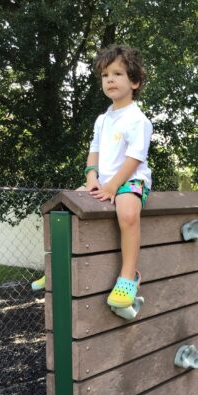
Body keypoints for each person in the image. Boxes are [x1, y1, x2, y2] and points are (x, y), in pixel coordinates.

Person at [32, 44, 152, 310]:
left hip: (131, 180)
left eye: (118, 74)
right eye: (105, 74)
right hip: (104, 181)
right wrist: (91, 179)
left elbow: (134, 160)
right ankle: (54, 266)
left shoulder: (138, 120)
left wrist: (112, 186)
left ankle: (129, 276)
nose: (109, 79)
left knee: (128, 213)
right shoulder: (102, 120)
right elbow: (93, 152)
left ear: (134, 81)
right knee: (64, 204)